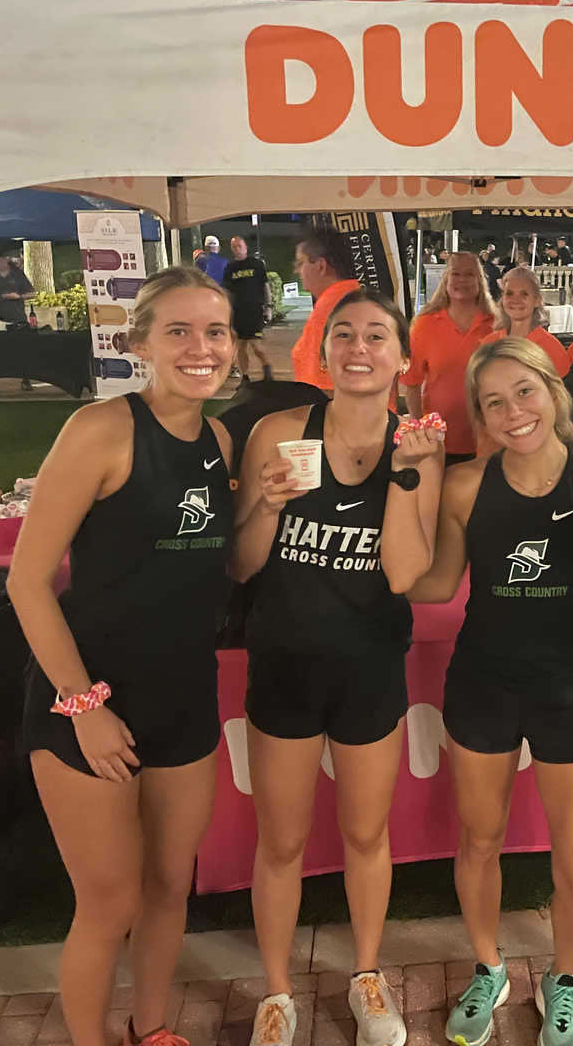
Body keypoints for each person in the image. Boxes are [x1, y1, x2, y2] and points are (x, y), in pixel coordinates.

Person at [7, 267, 236, 1046]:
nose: (201, 348)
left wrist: (266, 502)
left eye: (215, 331)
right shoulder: (101, 429)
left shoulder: (219, 441)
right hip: (88, 699)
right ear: (140, 344)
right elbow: (27, 581)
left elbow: (218, 563)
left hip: (184, 697)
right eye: (179, 331)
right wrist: (84, 707)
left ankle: (152, 1029)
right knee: (110, 903)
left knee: (170, 887)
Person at [409, 337, 573, 1046]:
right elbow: (434, 585)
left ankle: (564, 981)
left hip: (569, 687)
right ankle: (489, 968)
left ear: (552, 391)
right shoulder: (464, 486)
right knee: (479, 841)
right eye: (493, 403)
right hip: (484, 683)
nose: (513, 413)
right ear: (479, 417)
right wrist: (401, 499)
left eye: (524, 392)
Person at [230, 288, 444, 1046]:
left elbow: (403, 573)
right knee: (281, 842)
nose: (359, 348)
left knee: (365, 834)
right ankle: (277, 992)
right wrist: (266, 505)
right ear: (322, 352)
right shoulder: (277, 432)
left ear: (402, 357)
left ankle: (366, 975)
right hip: (285, 663)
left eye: (376, 335)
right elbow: (242, 564)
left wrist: (407, 475)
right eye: (343, 334)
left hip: (369, 666)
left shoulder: (418, 446)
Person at [404, 251, 497, 464]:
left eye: (469, 274)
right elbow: (411, 385)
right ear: (446, 279)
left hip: (488, 442)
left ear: (480, 281)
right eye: (456, 274)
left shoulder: (495, 325)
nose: (462, 280)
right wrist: (420, 431)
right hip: (437, 443)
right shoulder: (425, 324)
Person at [290, 229, 361, 391]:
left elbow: (322, 385)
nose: (297, 271)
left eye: (300, 263)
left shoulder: (329, 309)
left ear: (321, 266)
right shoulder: (364, 296)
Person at [484, 265, 570, 376]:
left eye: (524, 294)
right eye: (509, 293)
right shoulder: (488, 344)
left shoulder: (553, 349)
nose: (515, 300)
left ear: (537, 300)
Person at [224, 235, 273, 381]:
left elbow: (265, 286)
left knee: (257, 346)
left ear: (245, 247)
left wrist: (269, 306)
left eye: (239, 246)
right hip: (238, 313)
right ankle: (245, 377)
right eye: (234, 247)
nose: (237, 249)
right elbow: (228, 291)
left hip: (255, 311)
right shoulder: (230, 268)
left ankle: (267, 370)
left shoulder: (256, 264)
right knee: (241, 346)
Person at [0, 243, 36, 329]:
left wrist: (18, 296)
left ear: (4, 260)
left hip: (17, 320)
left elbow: (32, 293)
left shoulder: (17, 274)